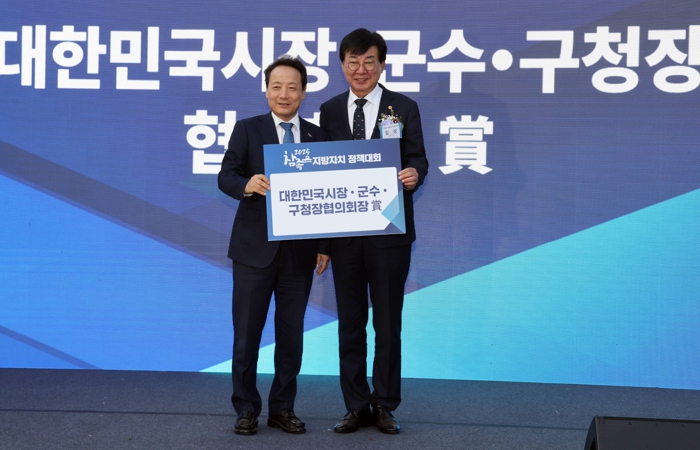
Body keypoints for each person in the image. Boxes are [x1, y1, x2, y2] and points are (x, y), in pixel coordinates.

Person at [319, 28, 429, 435]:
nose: (361, 69)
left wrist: (414, 172)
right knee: (349, 324)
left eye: (369, 61)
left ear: (382, 65)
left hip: (389, 233)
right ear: (342, 65)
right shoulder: (330, 110)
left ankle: (384, 403)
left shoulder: (403, 107)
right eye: (353, 61)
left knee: (387, 323)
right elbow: (322, 172)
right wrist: (323, 243)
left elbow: (418, 157)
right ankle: (355, 405)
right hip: (345, 235)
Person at [218, 55, 330, 436]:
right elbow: (226, 176)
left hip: (299, 255)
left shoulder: (317, 136)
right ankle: (246, 408)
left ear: (303, 92)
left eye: (292, 87)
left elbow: (327, 195)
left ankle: (283, 408)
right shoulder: (247, 129)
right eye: (276, 86)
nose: (284, 94)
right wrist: (246, 184)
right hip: (254, 252)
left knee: (291, 337)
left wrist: (325, 245)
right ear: (266, 91)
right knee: (247, 336)